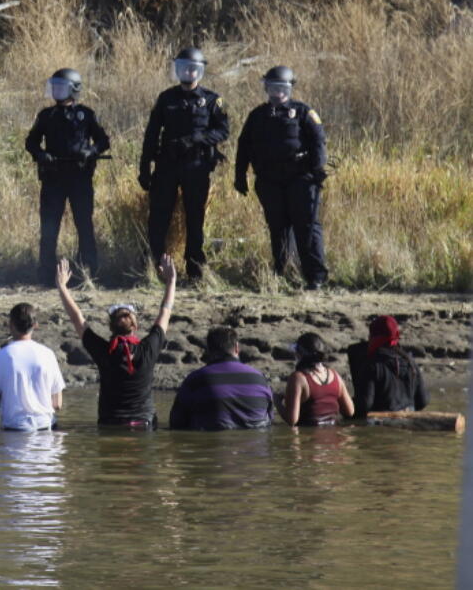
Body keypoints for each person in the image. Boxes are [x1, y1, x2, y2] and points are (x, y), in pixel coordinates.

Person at [234, 65, 329, 290]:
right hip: (269, 181)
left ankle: (315, 276)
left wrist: (317, 170)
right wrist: (240, 176)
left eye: (282, 88)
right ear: (266, 88)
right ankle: (282, 271)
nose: (278, 93)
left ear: (290, 89)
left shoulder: (304, 112)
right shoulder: (257, 115)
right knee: (278, 228)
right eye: (273, 88)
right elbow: (243, 146)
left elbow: (319, 142)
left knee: (306, 227)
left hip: (301, 179)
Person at [138, 48, 229, 282]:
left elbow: (223, 131)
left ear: (200, 71)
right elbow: (151, 134)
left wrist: (198, 139)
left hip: (196, 166)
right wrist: (144, 168)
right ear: (177, 69)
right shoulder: (166, 98)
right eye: (183, 68)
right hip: (167, 165)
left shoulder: (211, 100)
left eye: (193, 68)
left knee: (195, 218)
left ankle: (195, 270)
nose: (188, 72)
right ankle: (156, 266)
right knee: (158, 217)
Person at [57, 255, 176, 428]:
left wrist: (62, 287)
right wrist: (171, 281)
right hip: (144, 424)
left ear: (110, 327)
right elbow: (165, 311)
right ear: (135, 326)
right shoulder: (148, 348)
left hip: (110, 424)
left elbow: (77, 319)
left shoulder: (104, 351)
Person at [24, 68, 111, 285]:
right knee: (49, 228)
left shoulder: (86, 115)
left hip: (79, 178)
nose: (56, 91)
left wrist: (90, 151)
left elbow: (103, 141)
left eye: (61, 87)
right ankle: (46, 274)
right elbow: (31, 142)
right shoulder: (46, 115)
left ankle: (88, 273)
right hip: (53, 179)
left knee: (84, 226)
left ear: (73, 90)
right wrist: (41, 154)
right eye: (54, 86)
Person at [168, 327, 273, 430]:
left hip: (211, 443)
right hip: (255, 443)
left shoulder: (195, 380)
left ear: (209, 350)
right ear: (237, 347)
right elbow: (269, 417)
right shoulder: (260, 378)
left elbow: (176, 422)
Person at [0, 303, 65, 432]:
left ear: (10, 325)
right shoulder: (48, 354)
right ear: (35, 325)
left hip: (14, 430)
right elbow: (57, 404)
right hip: (46, 430)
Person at [347, 315, 429, 417]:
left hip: (383, 421)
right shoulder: (409, 361)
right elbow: (423, 402)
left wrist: (347, 405)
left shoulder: (372, 365)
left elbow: (364, 406)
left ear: (373, 336)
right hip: (409, 418)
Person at [276, 332, 355, 426]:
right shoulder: (335, 375)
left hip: (309, 435)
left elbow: (292, 420)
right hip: (335, 435)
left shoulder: (298, 378)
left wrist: (277, 401)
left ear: (300, 354)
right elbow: (350, 411)